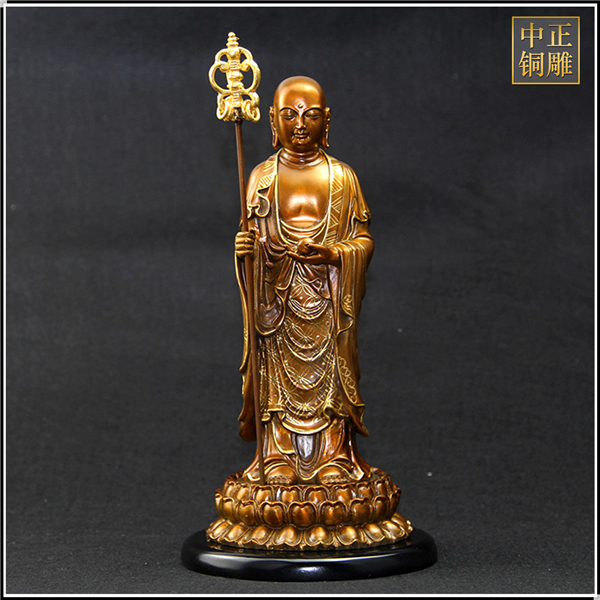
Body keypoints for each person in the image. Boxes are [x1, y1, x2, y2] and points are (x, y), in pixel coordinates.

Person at [235, 76, 374, 486]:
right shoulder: (261, 177)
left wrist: (334, 254)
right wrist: (246, 250)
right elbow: (251, 238)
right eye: (288, 115)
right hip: (276, 301)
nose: (299, 124)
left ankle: (334, 456)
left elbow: (363, 241)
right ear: (272, 122)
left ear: (326, 120)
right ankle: (277, 455)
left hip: (328, 298)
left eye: (310, 115)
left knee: (330, 380)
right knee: (275, 379)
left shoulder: (342, 178)